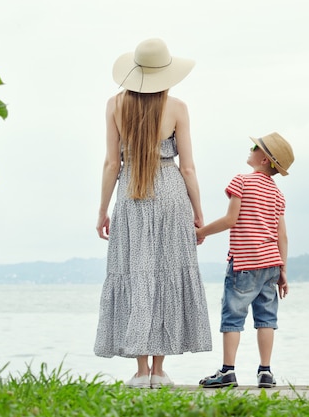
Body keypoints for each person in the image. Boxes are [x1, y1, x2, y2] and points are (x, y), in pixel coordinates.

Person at [94, 38, 212, 389]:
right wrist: (198, 211)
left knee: (136, 275)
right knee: (166, 275)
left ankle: (140, 370)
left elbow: (112, 163)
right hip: (172, 193)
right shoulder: (177, 107)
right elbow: (188, 167)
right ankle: (160, 372)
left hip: (131, 194)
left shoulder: (115, 105)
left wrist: (102, 211)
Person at [196, 132, 294, 388]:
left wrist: (200, 232)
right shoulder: (277, 194)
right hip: (271, 264)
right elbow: (282, 235)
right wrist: (283, 270)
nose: (250, 150)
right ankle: (265, 372)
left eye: (255, 147)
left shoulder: (241, 181)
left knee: (233, 317)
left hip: (245, 262)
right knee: (266, 319)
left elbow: (231, 220)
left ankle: (228, 372)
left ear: (264, 159)